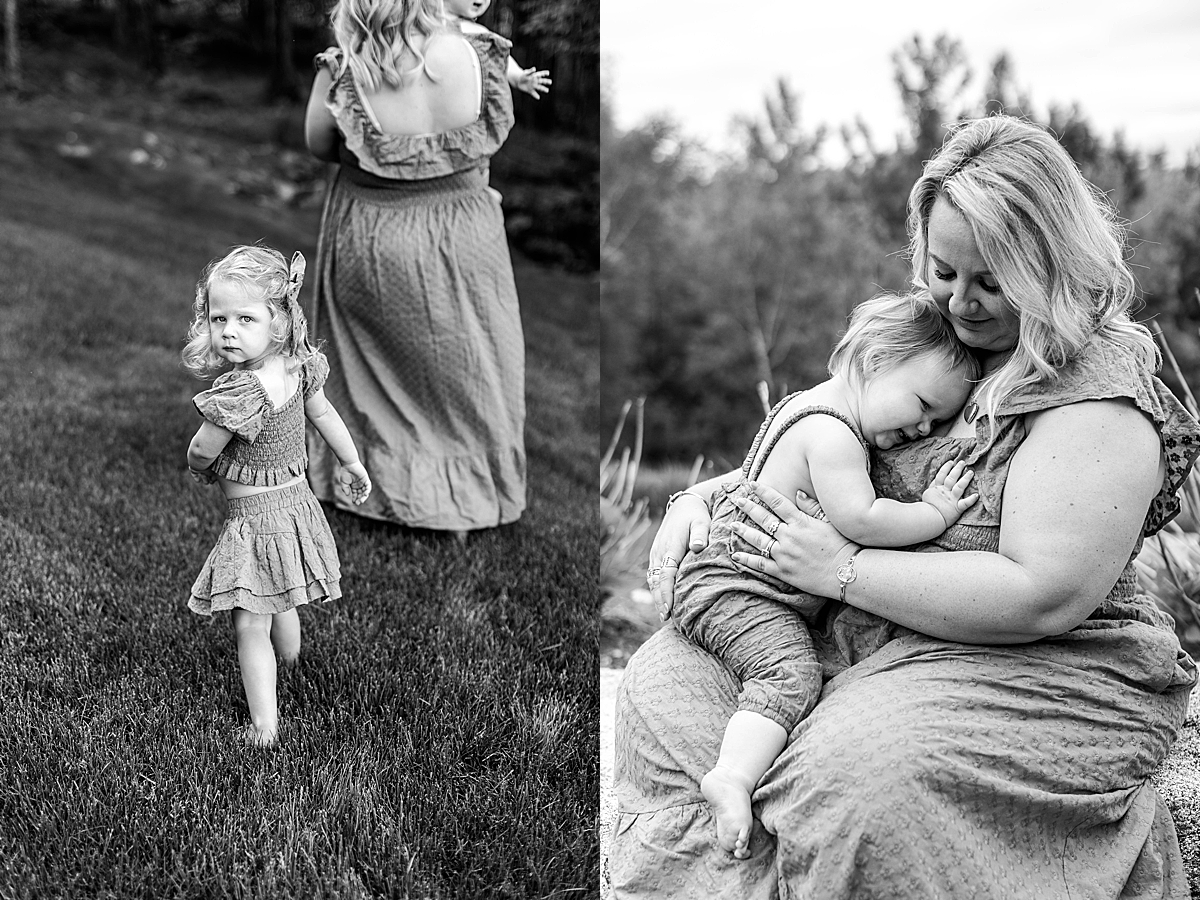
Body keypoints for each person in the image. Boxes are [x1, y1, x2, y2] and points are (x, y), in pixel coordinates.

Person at [612, 114, 1200, 898]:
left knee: (854, 778)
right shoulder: (934, 343)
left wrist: (844, 569)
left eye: (992, 281)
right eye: (944, 270)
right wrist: (705, 496)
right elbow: (830, 432)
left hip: (1033, 661)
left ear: (1051, 262)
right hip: (859, 636)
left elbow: (1041, 595)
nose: (961, 300)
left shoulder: (1099, 396)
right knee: (667, 688)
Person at [665, 291, 981, 859]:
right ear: (873, 361)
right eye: (923, 405)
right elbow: (862, 520)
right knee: (789, 674)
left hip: (725, 572)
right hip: (737, 587)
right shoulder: (835, 437)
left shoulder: (801, 403)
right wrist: (934, 511)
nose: (925, 429)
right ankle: (731, 776)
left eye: (938, 421)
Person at [303, 0, 525, 534]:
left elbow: (318, 147)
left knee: (373, 366)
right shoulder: (474, 54)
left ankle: (376, 484)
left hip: (376, 237)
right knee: (473, 363)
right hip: (467, 236)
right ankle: (471, 498)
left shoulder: (344, 69)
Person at [183, 245, 372, 748]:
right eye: (218, 317)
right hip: (296, 504)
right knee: (282, 592)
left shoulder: (242, 391)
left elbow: (203, 448)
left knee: (250, 621)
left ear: (279, 320)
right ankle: (292, 666)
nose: (228, 330)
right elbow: (326, 416)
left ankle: (264, 726)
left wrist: (199, 465)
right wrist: (352, 462)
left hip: (257, 519)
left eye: (245, 318)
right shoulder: (298, 367)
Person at [444, 0, 552, 100]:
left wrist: (518, 77)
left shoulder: (480, 34)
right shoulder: (432, 27)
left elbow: (501, 60)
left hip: (481, 110)